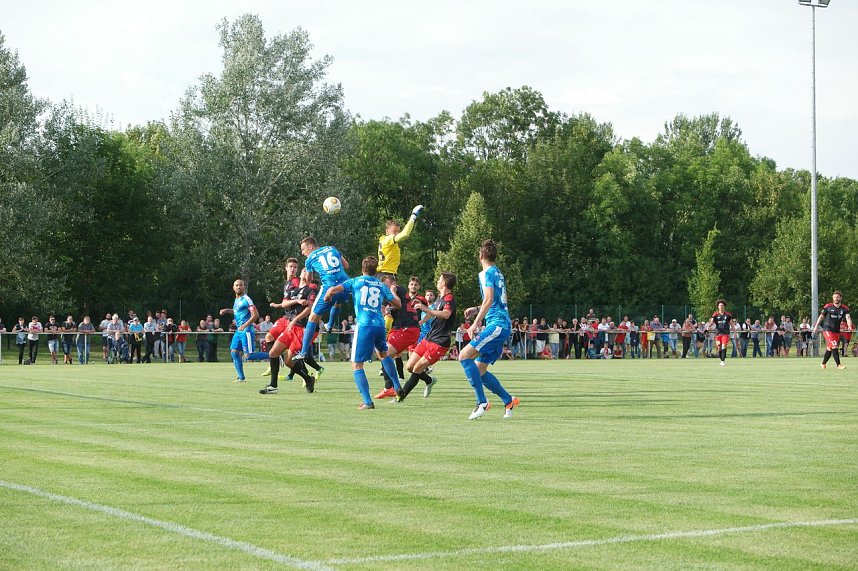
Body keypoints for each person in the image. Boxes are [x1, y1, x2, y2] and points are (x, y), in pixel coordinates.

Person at [322, 256, 402, 409]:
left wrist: (327, 296)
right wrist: (391, 294)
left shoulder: (355, 281)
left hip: (364, 325)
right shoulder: (380, 284)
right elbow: (397, 304)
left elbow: (333, 289)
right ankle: (397, 386)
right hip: (379, 324)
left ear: (362, 269)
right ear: (376, 270)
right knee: (383, 354)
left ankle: (367, 401)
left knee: (357, 365)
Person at [458, 239, 520, 420]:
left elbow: (490, 299)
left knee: (463, 356)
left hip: (497, 325)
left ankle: (482, 402)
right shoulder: (498, 273)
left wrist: (476, 322)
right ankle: (508, 400)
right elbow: (497, 301)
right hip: (503, 324)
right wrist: (477, 309)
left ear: (481, 255)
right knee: (480, 370)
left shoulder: (485, 273)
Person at [258, 268, 323, 394]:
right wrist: (285, 305)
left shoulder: (312, 288)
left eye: (309, 272)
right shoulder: (294, 289)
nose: (306, 273)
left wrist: (296, 318)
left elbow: (310, 308)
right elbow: (285, 304)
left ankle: (308, 378)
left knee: (289, 361)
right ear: (300, 274)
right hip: (291, 326)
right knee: (273, 353)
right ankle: (273, 386)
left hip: (303, 328)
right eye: (304, 271)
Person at [397, 272, 457, 401]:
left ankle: (400, 397)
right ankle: (429, 381)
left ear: (445, 283)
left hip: (440, 342)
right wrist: (421, 321)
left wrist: (425, 308)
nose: (437, 281)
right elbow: (432, 312)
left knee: (417, 368)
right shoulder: (440, 298)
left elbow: (445, 314)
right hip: (429, 338)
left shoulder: (449, 299)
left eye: (440, 279)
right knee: (410, 367)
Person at [293, 237, 351, 362]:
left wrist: (312, 273)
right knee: (338, 301)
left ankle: (303, 352)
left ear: (310, 247)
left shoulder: (309, 259)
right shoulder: (332, 248)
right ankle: (330, 325)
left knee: (312, 317)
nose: (303, 253)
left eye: (303, 249)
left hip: (329, 287)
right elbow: (346, 265)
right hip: (346, 284)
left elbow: (308, 280)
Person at [376, 275, 427, 399]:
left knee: (385, 354)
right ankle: (428, 379)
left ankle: (391, 387)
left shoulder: (397, 289)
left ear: (393, 283)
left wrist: (392, 291)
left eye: (385, 283)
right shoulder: (388, 294)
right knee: (381, 352)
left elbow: (397, 302)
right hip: (399, 327)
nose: (384, 286)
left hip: (408, 328)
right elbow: (385, 310)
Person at [219, 279, 259, 382]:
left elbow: (256, 315)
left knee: (249, 356)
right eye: (236, 285)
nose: (238, 287)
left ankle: (273, 355)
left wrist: (245, 325)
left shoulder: (247, 299)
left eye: (240, 285)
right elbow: (237, 311)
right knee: (234, 352)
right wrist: (227, 310)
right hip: (239, 331)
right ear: (233, 287)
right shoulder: (237, 300)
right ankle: (241, 377)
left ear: (244, 287)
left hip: (247, 331)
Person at [376, 205, 424, 279]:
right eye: (394, 232)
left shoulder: (385, 240)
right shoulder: (388, 239)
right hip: (386, 275)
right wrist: (413, 216)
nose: (397, 234)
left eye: (398, 231)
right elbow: (405, 234)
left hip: (385, 274)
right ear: (387, 231)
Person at [812, 290, 853, 370]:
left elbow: (848, 318)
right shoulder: (828, 306)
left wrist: (849, 326)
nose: (836, 299)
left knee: (829, 348)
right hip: (827, 330)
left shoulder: (844, 308)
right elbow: (821, 316)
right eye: (834, 297)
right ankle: (838, 365)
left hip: (836, 331)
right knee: (834, 346)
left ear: (840, 298)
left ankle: (823, 364)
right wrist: (816, 326)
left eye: (837, 297)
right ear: (833, 298)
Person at [712, 300, 733, 366]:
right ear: (718, 307)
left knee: (724, 346)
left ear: (724, 306)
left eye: (722, 305)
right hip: (718, 334)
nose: (721, 307)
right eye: (720, 305)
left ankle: (723, 360)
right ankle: (721, 360)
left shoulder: (728, 315)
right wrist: (707, 328)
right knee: (719, 347)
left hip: (725, 333)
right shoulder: (715, 314)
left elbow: (731, 323)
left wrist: (734, 332)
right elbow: (712, 322)